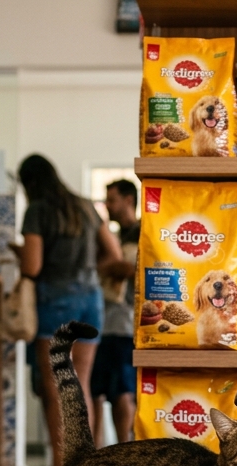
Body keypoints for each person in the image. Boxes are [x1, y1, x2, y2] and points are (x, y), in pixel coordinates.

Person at [13, 154, 124, 466]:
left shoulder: (38, 210)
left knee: (55, 390)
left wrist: (19, 255)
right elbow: (113, 254)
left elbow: (32, 265)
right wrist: (88, 273)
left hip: (56, 302)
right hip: (91, 300)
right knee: (82, 386)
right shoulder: (85, 207)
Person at [91, 179, 140, 445]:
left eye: (112, 199)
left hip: (127, 325)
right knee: (96, 390)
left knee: (123, 391)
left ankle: (125, 449)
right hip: (103, 323)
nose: (107, 205)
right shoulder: (110, 236)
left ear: (128, 200)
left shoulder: (145, 232)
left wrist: (113, 266)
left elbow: (136, 271)